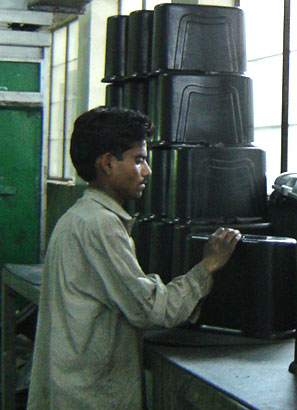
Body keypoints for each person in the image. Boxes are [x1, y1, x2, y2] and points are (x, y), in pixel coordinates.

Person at [27, 106, 241, 409]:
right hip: (91, 398)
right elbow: (149, 309)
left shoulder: (79, 216)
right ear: (108, 164)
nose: (147, 170)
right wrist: (207, 267)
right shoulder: (100, 225)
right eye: (139, 160)